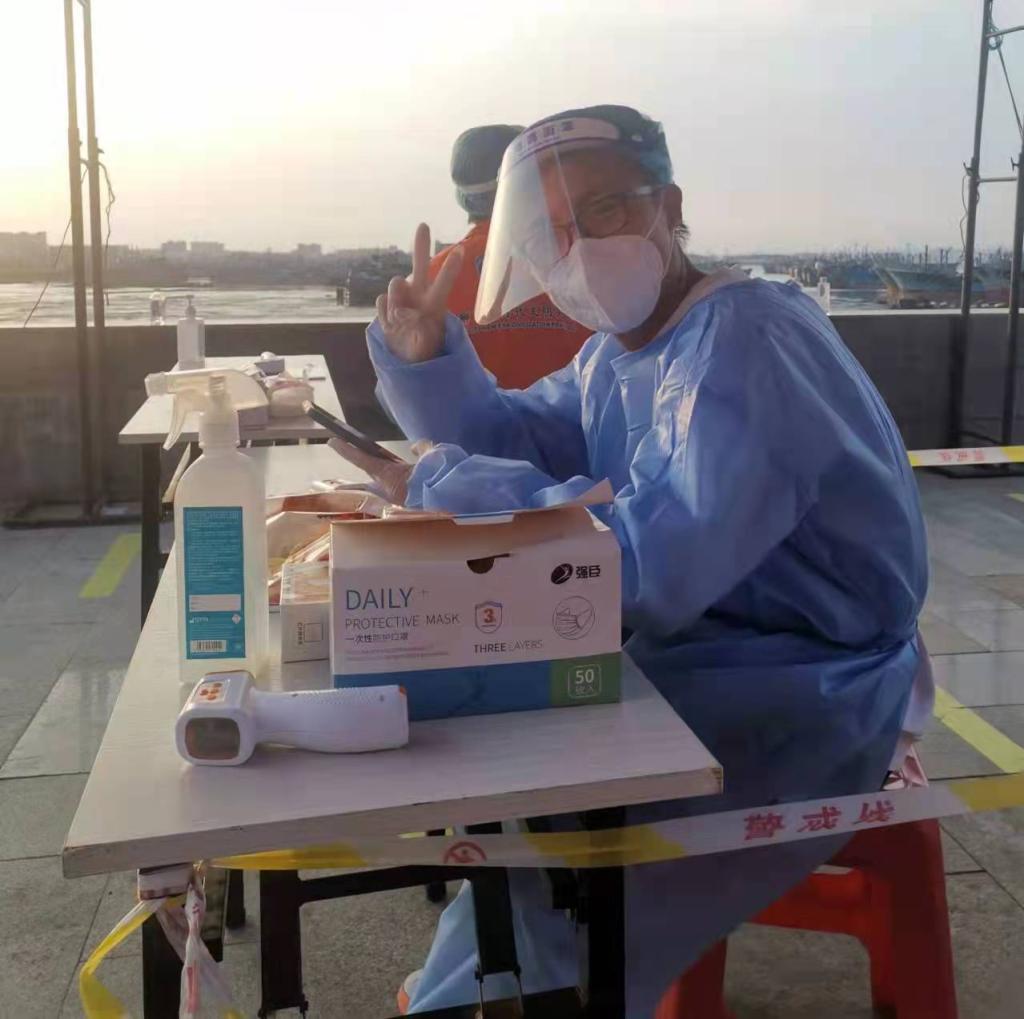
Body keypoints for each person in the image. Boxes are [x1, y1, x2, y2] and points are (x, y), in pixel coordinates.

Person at [343, 104, 931, 1016]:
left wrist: (443, 484)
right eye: (554, 231)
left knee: (567, 824)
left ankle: (515, 983)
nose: (580, 248)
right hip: (711, 653)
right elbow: (517, 434)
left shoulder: (745, 341)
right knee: (520, 781)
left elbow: (649, 563)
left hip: (805, 687)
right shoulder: (619, 355)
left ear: (670, 207)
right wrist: (429, 361)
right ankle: (488, 969)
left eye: (607, 209)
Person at [429, 124, 592, 389]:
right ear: (531, 185)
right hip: (578, 414)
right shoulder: (581, 260)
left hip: (470, 416)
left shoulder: (431, 278)